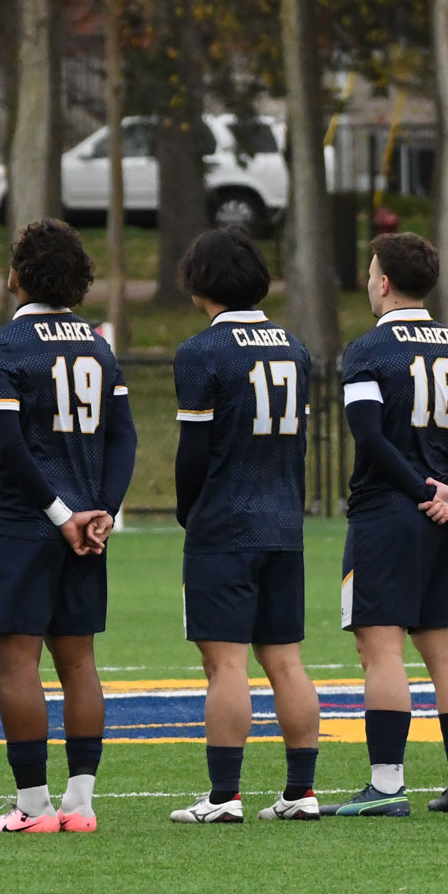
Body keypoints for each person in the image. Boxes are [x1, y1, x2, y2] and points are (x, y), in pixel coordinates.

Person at [0, 220, 137, 833]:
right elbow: (123, 435)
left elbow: (11, 449)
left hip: (25, 522)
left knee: (19, 664)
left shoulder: (3, 347)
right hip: (87, 524)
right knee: (80, 661)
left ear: (17, 276)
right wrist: (104, 511)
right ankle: (81, 804)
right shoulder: (97, 346)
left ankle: (33, 807)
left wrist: (62, 515)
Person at [328, 232, 448, 816]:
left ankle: (387, 784)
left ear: (383, 282)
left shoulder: (369, 350)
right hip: (446, 516)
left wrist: (426, 488)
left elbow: (370, 437)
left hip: (388, 512)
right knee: (447, 653)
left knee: (382, 652)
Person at [165, 227, 324, 823]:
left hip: (225, 524)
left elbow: (193, 452)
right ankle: (300, 793)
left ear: (198, 283)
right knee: (286, 660)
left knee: (225, 665)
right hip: (283, 521)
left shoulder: (201, 352)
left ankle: (224, 796)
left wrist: (191, 511)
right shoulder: (295, 348)